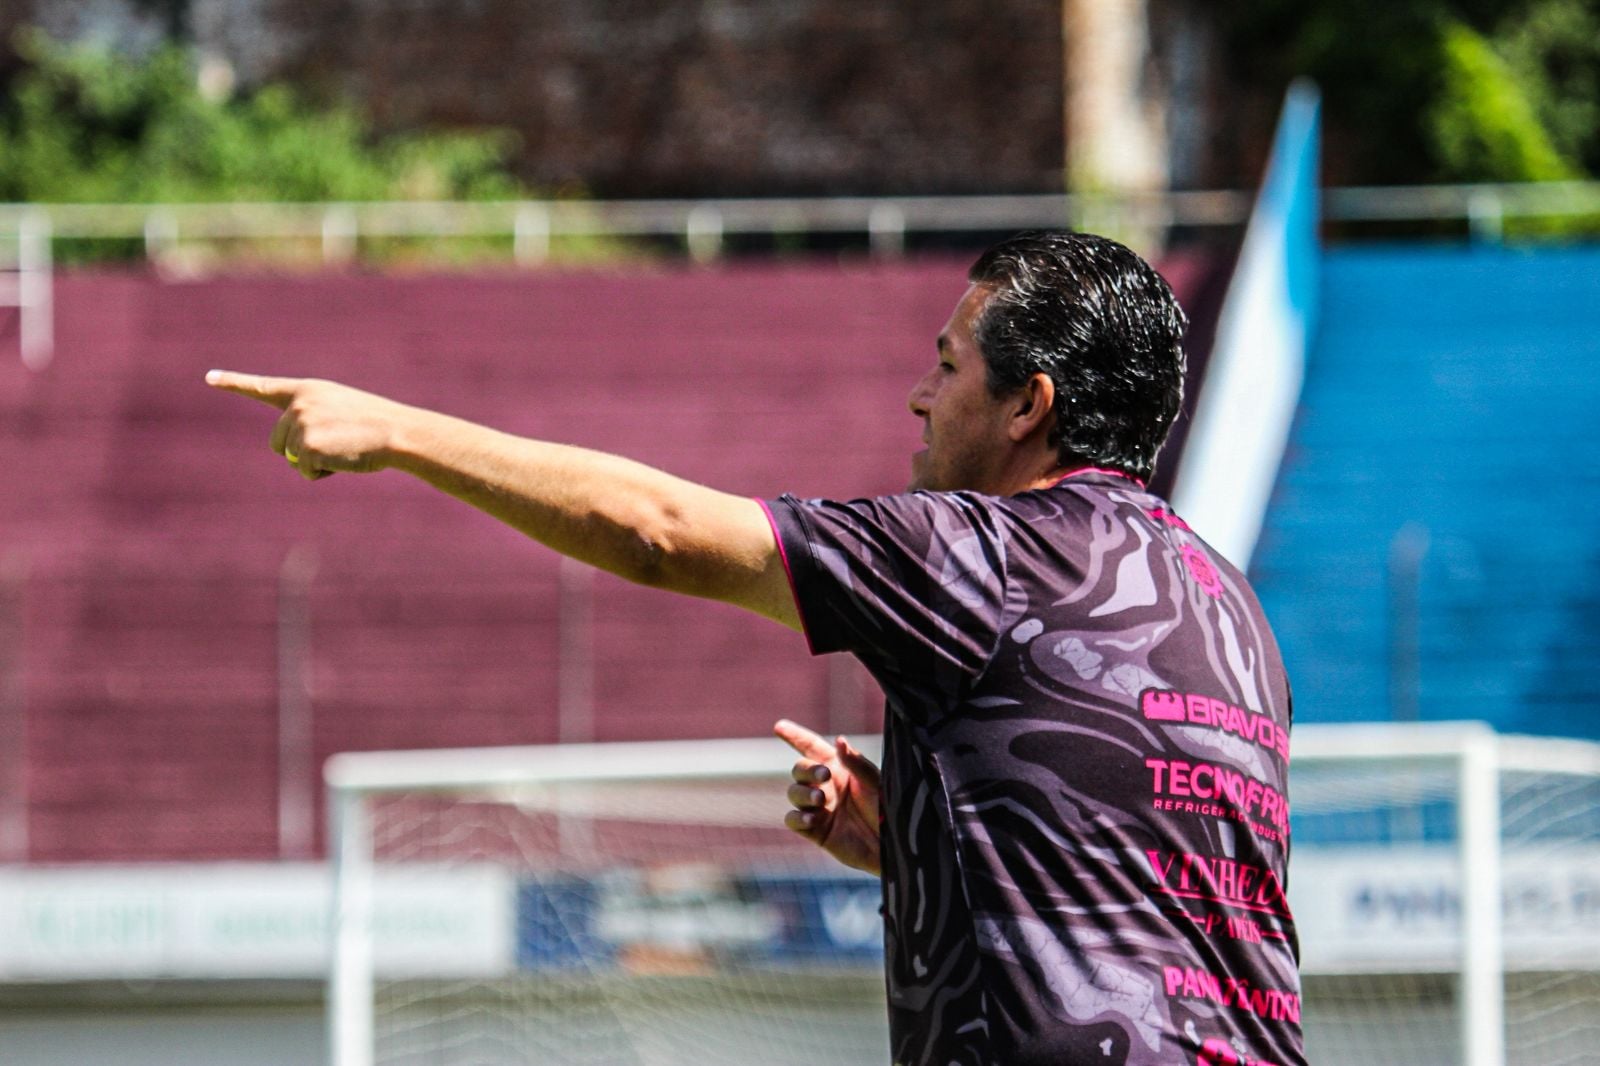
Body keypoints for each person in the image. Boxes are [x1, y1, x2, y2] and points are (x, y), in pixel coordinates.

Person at [209, 231, 1303, 1066]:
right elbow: (1138, 888)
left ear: (1029, 404)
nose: (919, 396)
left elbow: (659, 532)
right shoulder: (1225, 603)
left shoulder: (986, 553)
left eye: (948, 365)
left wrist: (395, 430)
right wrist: (919, 847)